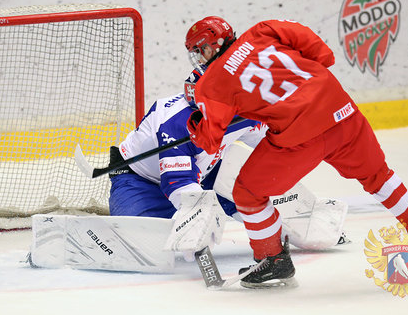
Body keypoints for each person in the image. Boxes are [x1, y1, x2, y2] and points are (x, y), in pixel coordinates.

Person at [183, 16, 408, 288]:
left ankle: (273, 260)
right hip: (341, 112)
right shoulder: (264, 29)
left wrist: (195, 123)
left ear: (211, 45)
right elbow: (323, 53)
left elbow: (210, 141)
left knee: (247, 193)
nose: (199, 57)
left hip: (300, 137)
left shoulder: (212, 83)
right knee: (379, 177)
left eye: (199, 50)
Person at [109, 68, 349, 255]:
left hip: (208, 170)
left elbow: (269, 140)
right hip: (139, 179)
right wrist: (199, 216)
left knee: (253, 185)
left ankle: (308, 221)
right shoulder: (177, 124)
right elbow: (179, 184)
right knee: (142, 241)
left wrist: (311, 144)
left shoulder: (239, 109)